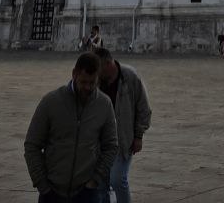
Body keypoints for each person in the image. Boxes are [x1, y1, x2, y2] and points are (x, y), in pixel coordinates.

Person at [24, 51, 118, 202]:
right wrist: (42, 185)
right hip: (52, 191)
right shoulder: (51, 102)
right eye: (83, 82)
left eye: (92, 83)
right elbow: (32, 145)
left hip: (87, 192)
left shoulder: (104, 104)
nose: (87, 88)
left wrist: (95, 180)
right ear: (74, 74)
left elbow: (111, 146)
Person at [97, 48, 152, 203]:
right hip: (99, 140)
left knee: (117, 180)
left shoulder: (130, 77)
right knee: (100, 183)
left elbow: (143, 108)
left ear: (108, 64)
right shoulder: (96, 79)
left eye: (99, 69)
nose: (97, 73)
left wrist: (139, 136)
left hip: (123, 139)